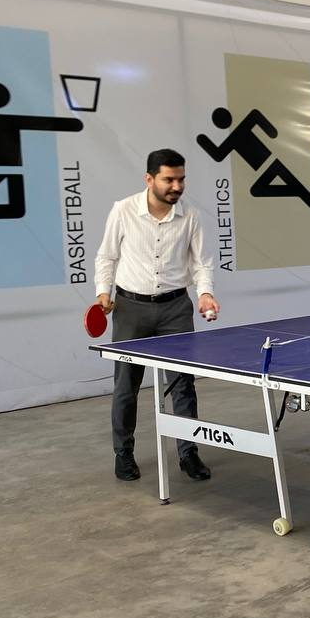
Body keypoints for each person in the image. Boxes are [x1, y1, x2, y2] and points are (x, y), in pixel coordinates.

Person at [94, 149, 221, 482]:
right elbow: (106, 257)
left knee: (183, 385)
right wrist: (103, 292)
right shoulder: (123, 210)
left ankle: (188, 453)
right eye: (168, 179)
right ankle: (123, 454)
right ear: (149, 179)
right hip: (130, 309)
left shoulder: (191, 216)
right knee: (126, 386)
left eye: (181, 179)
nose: (176, 186)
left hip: (175, 309)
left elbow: (202, 263)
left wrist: (205, 292)